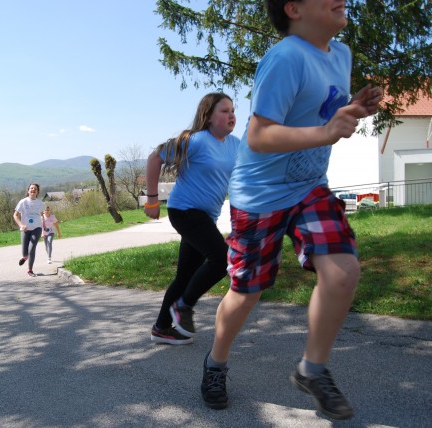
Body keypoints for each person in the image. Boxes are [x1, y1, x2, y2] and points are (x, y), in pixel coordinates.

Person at [199, 0, 383, 420]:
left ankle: (312, 370)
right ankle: (216, 362)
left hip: (308, 186)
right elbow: (260, 135)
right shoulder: (285, 58)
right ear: (295, 9)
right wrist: (325, 131)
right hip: (259, 195)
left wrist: (351, 108)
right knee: (248, 293)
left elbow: (320, 112)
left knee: (343, 271)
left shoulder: (340, 54)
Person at [144, 92, 240, 345]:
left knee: (185, 275)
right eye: (224, 111)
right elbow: (155, 157)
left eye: (233, 110)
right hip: (184, 210)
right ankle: (183, 306)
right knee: (221, 259)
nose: (231, 115)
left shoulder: (235, 145)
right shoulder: (196, 141)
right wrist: (152, 199)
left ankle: (161, 328)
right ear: (208, 117)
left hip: (206, 216)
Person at [13, 183, 45, 277]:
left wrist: (43, 228)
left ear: (37, 192)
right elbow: (15, 215)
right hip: (25, 229)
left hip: (37, 228)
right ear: (28, 191)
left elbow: (42, 215)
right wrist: (21, 225)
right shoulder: (23, 202)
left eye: (35, 189)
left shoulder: (40, 203)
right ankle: (25, 257)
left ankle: (30, 270)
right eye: (31, 188)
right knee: (25, 252)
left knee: (32, 248)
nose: (33, 190)